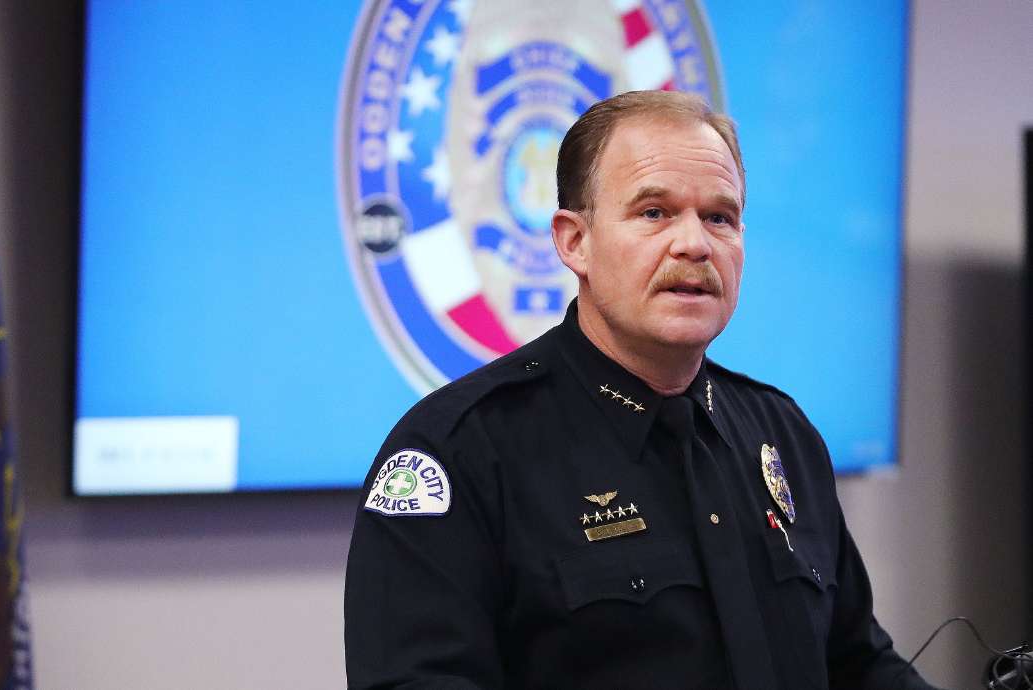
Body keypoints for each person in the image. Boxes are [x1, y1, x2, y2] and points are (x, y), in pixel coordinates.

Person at [344, 90, 938, 690]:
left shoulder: (781, 433)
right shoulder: (461, 450)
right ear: (574, 241)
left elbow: (857, 664)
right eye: (654, 212)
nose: (694, 244)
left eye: (720, 217)